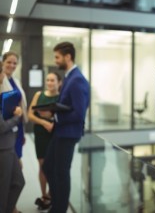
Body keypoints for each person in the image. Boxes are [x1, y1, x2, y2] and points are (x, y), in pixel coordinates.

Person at [42, 42, 90, 213]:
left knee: (62, 173)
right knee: (48, 167)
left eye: (57, 57)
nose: (55, 61)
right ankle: (57, 204)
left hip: (68, 134)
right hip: (61, 131)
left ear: (68, 57)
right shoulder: (70, 76)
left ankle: (59, 209)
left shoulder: (77, 80)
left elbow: (78, 114)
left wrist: (54, 116)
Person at [28, 72, 61, 211]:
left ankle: (52, 194)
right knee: (42, 165)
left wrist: (52, 122)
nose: (49, 83)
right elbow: (30, 114)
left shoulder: (61, 97)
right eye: (47, 80)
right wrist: (43, 122)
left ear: (59, 82)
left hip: (55, 133)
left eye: (52, 80)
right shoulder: (38, 95)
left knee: (54, 166)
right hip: (41, 133)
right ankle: (44, 196)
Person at [0, 60, 25, 213]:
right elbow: (1, 127)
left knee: (18, 182)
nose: (3, 76)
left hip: (8, 145)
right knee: (3, 189)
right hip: (2, 148)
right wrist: (17, 117)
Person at [1, 51, 28, 165]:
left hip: (18, 125)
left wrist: (23, 132)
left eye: (14, 63)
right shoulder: (1, 80)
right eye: (9, 62)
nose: (12, 65)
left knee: (17, 160)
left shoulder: (15, 80)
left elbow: (21, 104)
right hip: (6, 127)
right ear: (3, 62)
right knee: (11, 165)